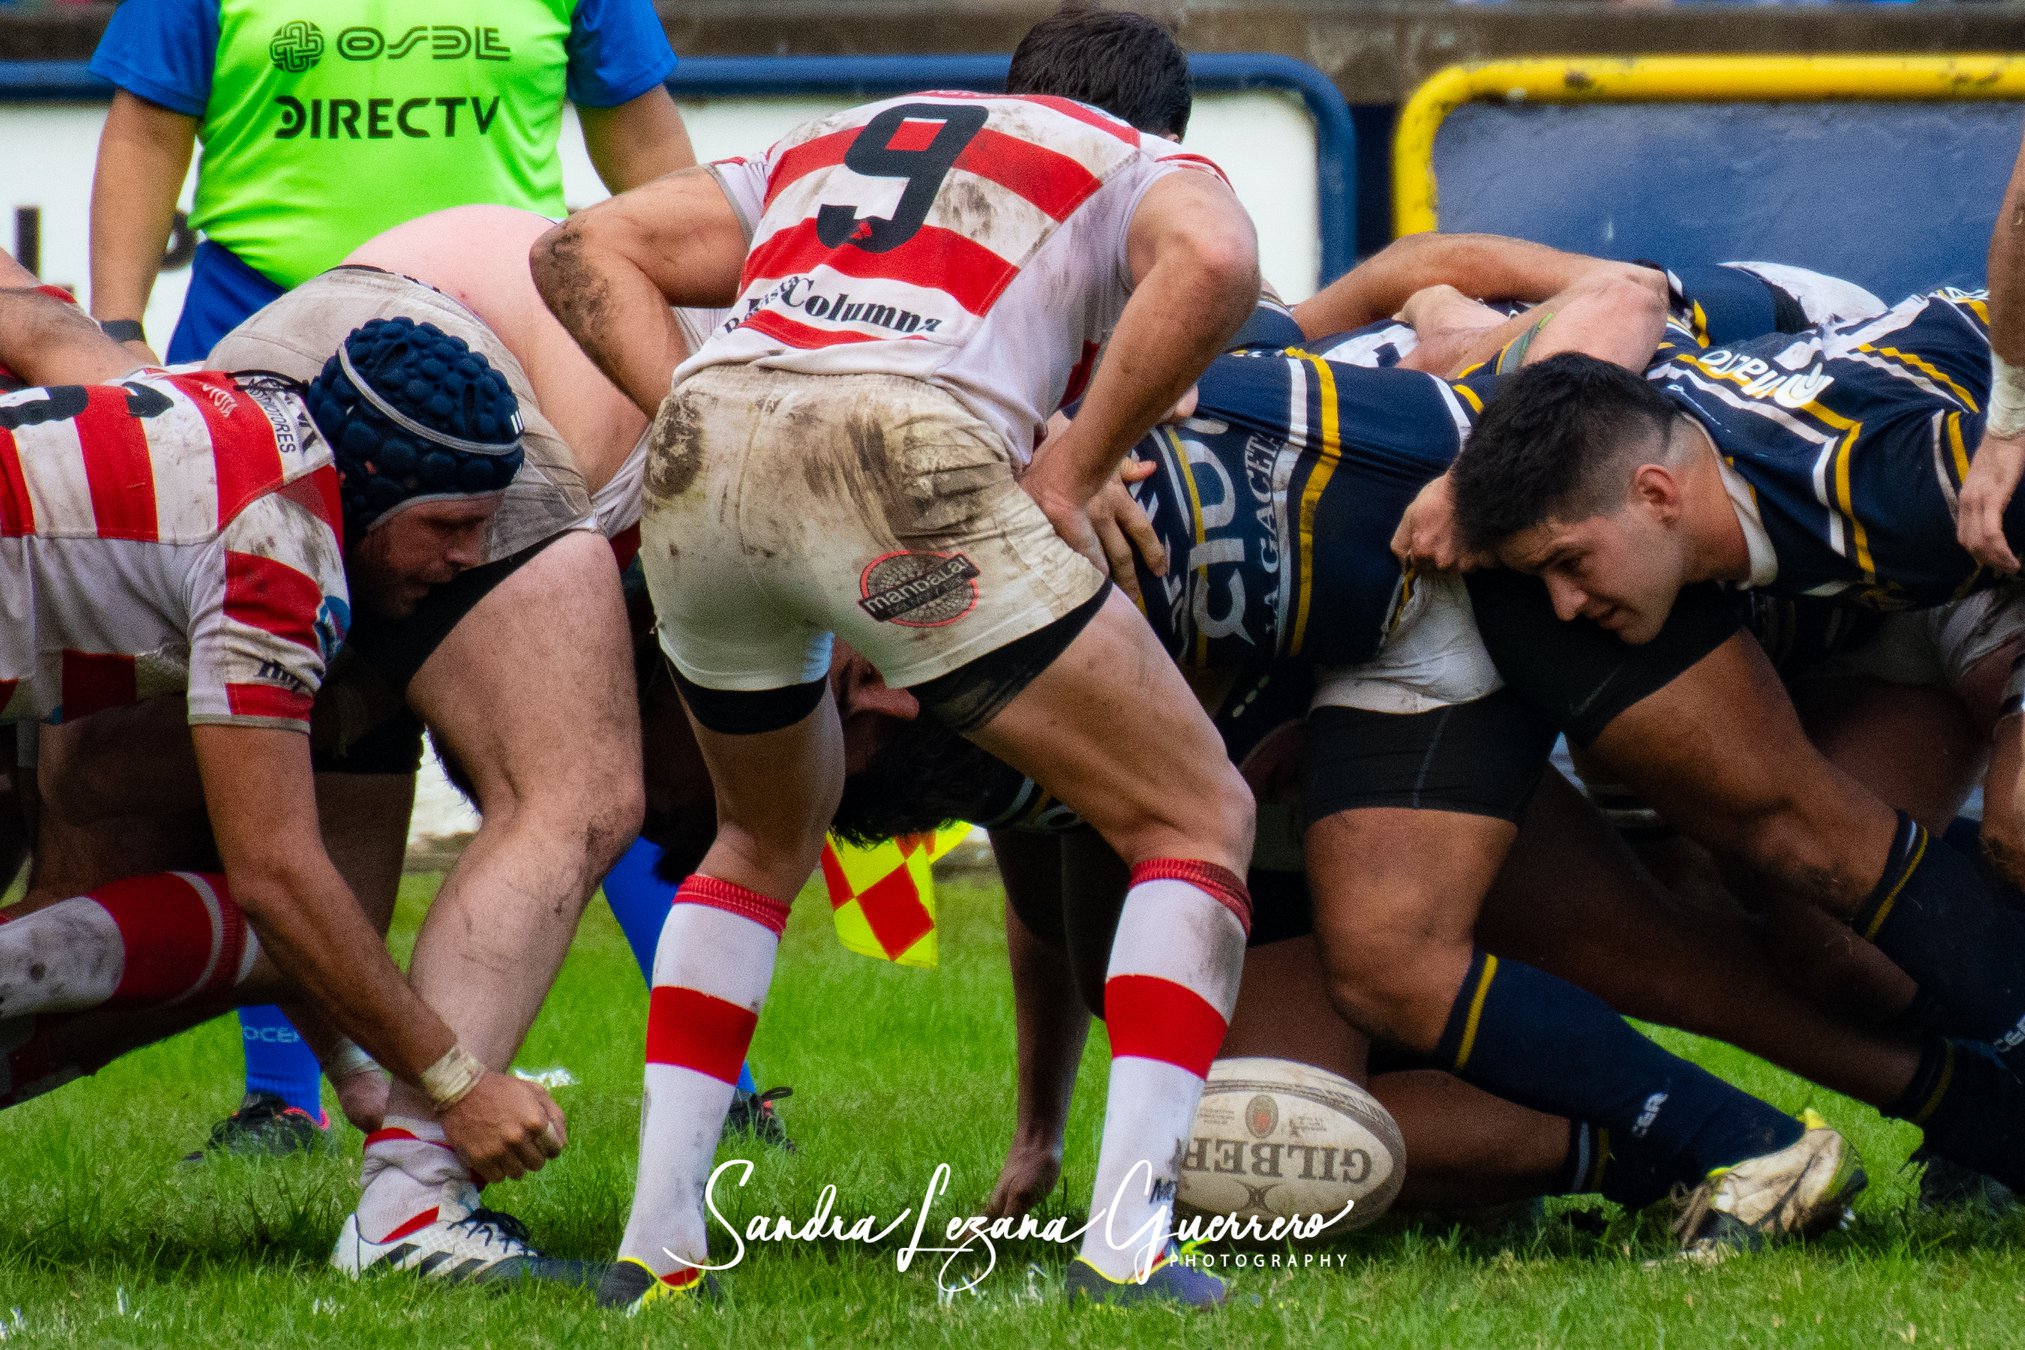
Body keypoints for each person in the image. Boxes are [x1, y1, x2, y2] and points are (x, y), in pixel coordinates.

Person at [535, 7, 1267, 1311]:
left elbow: (578, 245)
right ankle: (1129, 1242)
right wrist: (1074, 461)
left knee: (759, 839)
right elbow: (1215, 265)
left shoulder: (837, 139)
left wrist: (697, 420)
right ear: (1167, 120)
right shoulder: (1138, 159)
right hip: (903, 462)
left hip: (710, 456)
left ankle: (659, 1247)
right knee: (1194, 813)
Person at [83, 0, 694, 1152]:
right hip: (268, 308)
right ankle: (309, 1099)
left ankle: (709, 1062)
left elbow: (654, 161)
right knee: (332, 734)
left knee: (564, 739)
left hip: (485, 344)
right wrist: (119, 330)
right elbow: (149, 129)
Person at [0, 262, 574, 1222]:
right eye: (448, 526)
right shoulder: (286, 547)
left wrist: (351, 1057)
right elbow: (276, 872)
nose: (468, 561)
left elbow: (244, 862)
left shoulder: (245, 411)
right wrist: (456, 1083)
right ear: (373, 491)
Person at [1443, 293, 2025, 1100]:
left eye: (1570, 563)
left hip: (1985, 545)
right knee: (1834, 945)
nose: (1563, 605)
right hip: (1889, 607)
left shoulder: (1878, 472)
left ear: (1656, 494)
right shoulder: (1624, 422)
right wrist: (1440, 315)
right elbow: (1621, 288)